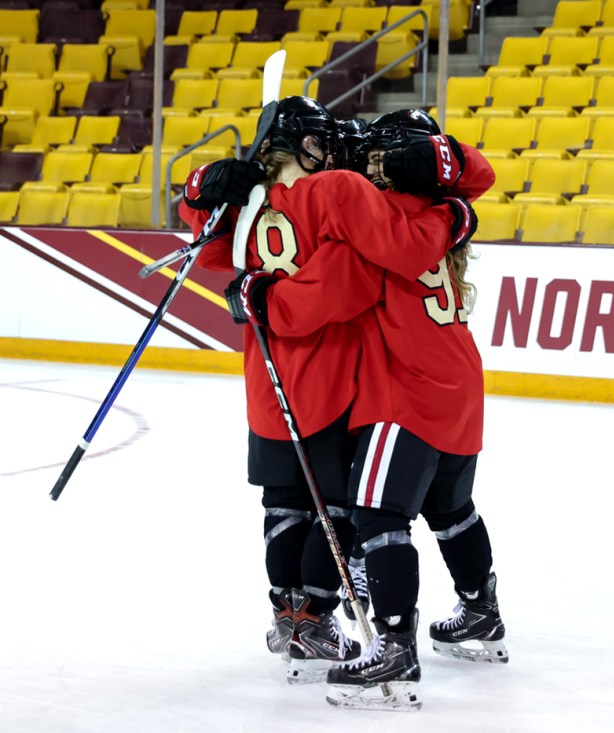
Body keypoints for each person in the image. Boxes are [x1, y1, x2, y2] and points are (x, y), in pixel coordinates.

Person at [178, 97, 476, 685]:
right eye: (323, 143)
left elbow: (207, 248)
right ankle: (314, 615)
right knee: (337, 507)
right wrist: (453, 216)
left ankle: (288, 615)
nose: (336, 153)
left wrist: (198, 192)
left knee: (282, 504)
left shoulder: (251, 206)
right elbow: (356, 279)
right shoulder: (335, 191)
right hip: (333, 375)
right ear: (301, 146)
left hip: (266, 377)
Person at [318, 110, 509, 711]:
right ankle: (481, 610)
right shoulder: (436, 209)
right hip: (458, 380)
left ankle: (395, 646)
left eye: (376, 157)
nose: (365, 166)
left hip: (407, 387)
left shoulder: (388, 217)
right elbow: (473, 181)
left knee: (376, 514)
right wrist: (457, 206)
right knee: (451, 509)